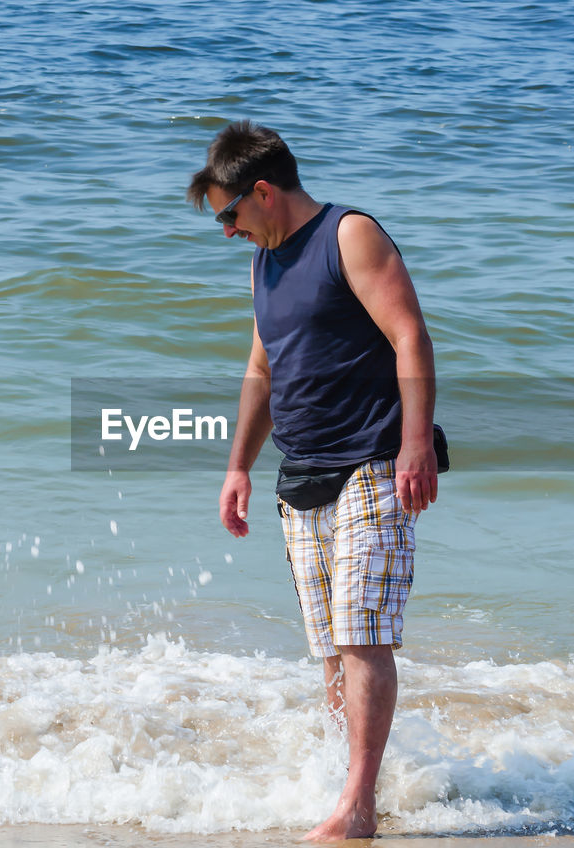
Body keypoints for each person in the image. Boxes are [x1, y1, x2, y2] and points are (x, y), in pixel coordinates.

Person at [187, 120, 438, 842]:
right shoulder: (265, 263)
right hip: (302, 477)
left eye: (229, 215)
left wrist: (416, 442)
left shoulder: (348, 235)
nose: (228, 232)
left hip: (373, 463)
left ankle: (357, 806)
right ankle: (354, 787)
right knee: (330, 648)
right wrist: (238, 464)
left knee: (363, 637)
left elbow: (409, 335)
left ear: (262, 192)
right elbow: (262, 371)